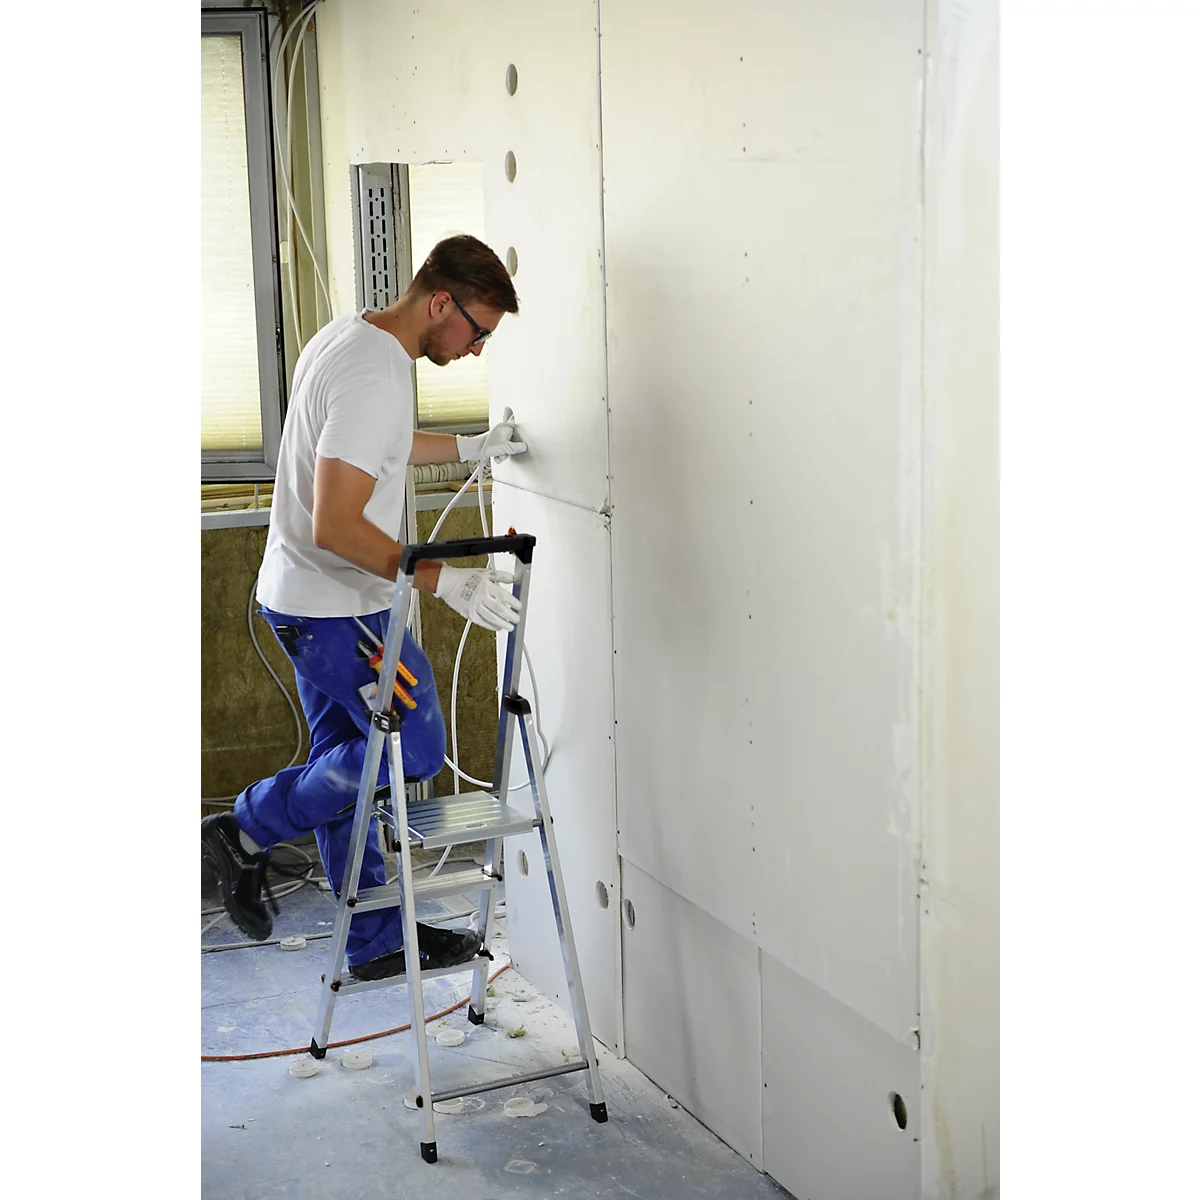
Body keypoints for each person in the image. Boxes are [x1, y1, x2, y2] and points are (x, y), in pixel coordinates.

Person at [201, 234, 527, 982]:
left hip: (301, 600)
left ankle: (375, 939)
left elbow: (373, 446)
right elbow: (338, 525)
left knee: (347, 764)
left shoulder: (351, 339)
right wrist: (445, 581)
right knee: (409, 749)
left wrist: (468, 446)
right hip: (339, 614)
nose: (477, 350)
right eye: (477, 331)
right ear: (440, 301)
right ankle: (245, 828)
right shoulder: (375, 371)